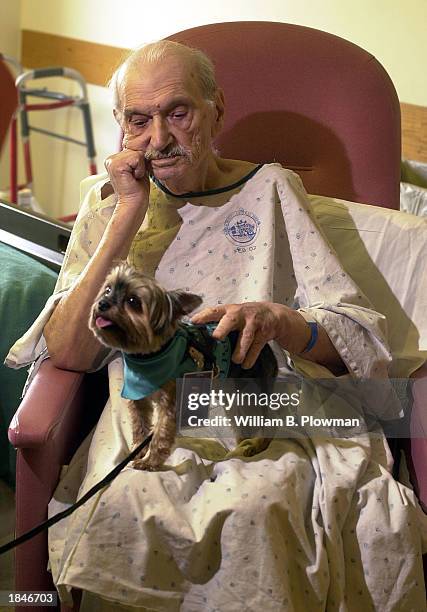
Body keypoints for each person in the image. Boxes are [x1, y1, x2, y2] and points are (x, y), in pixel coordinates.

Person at [7, 40, 427, 611]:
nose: (159, 138)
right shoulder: (110, 209)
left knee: (264, 504)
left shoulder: (270, 190)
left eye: (178, 113)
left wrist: (284, 321)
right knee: (134, 502)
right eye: (139, 120)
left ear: (215, 111)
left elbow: (360, 337)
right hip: (149, 412)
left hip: (264, 405)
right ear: (120, 127)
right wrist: (128, 213)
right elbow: (71, 351)